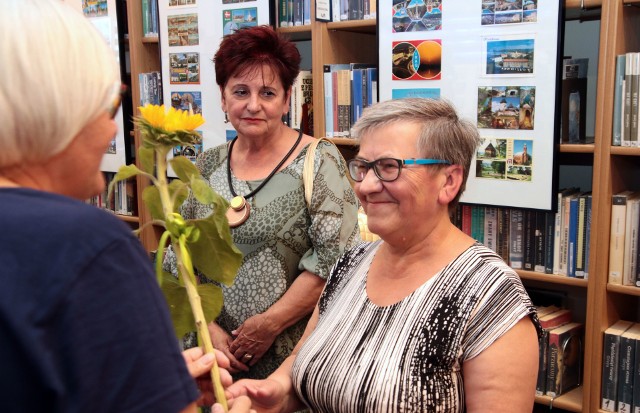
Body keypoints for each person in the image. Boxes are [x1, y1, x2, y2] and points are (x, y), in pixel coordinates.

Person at [0, 1, 249, 412]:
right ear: (61, 110)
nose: (113, 128)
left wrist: (151, 381)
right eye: (109, 108)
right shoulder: (86, 244)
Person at [224, 98, 542, 412]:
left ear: (449, 181)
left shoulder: (489, 295)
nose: (366, 186)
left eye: (389, 167)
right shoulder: (350, 264)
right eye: (362, 168)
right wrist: (273, 391)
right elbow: (302, 362)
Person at [164, 25, 361, 380]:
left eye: (267, 92)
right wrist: (207, 326)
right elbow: (176, 256)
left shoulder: (320, 161)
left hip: (289, 357)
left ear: (287, 99)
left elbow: (336, 262)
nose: (253, 104)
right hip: (210, 355)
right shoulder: (206, 165)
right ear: (224, 99)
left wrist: (268, 325)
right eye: (240, 91)